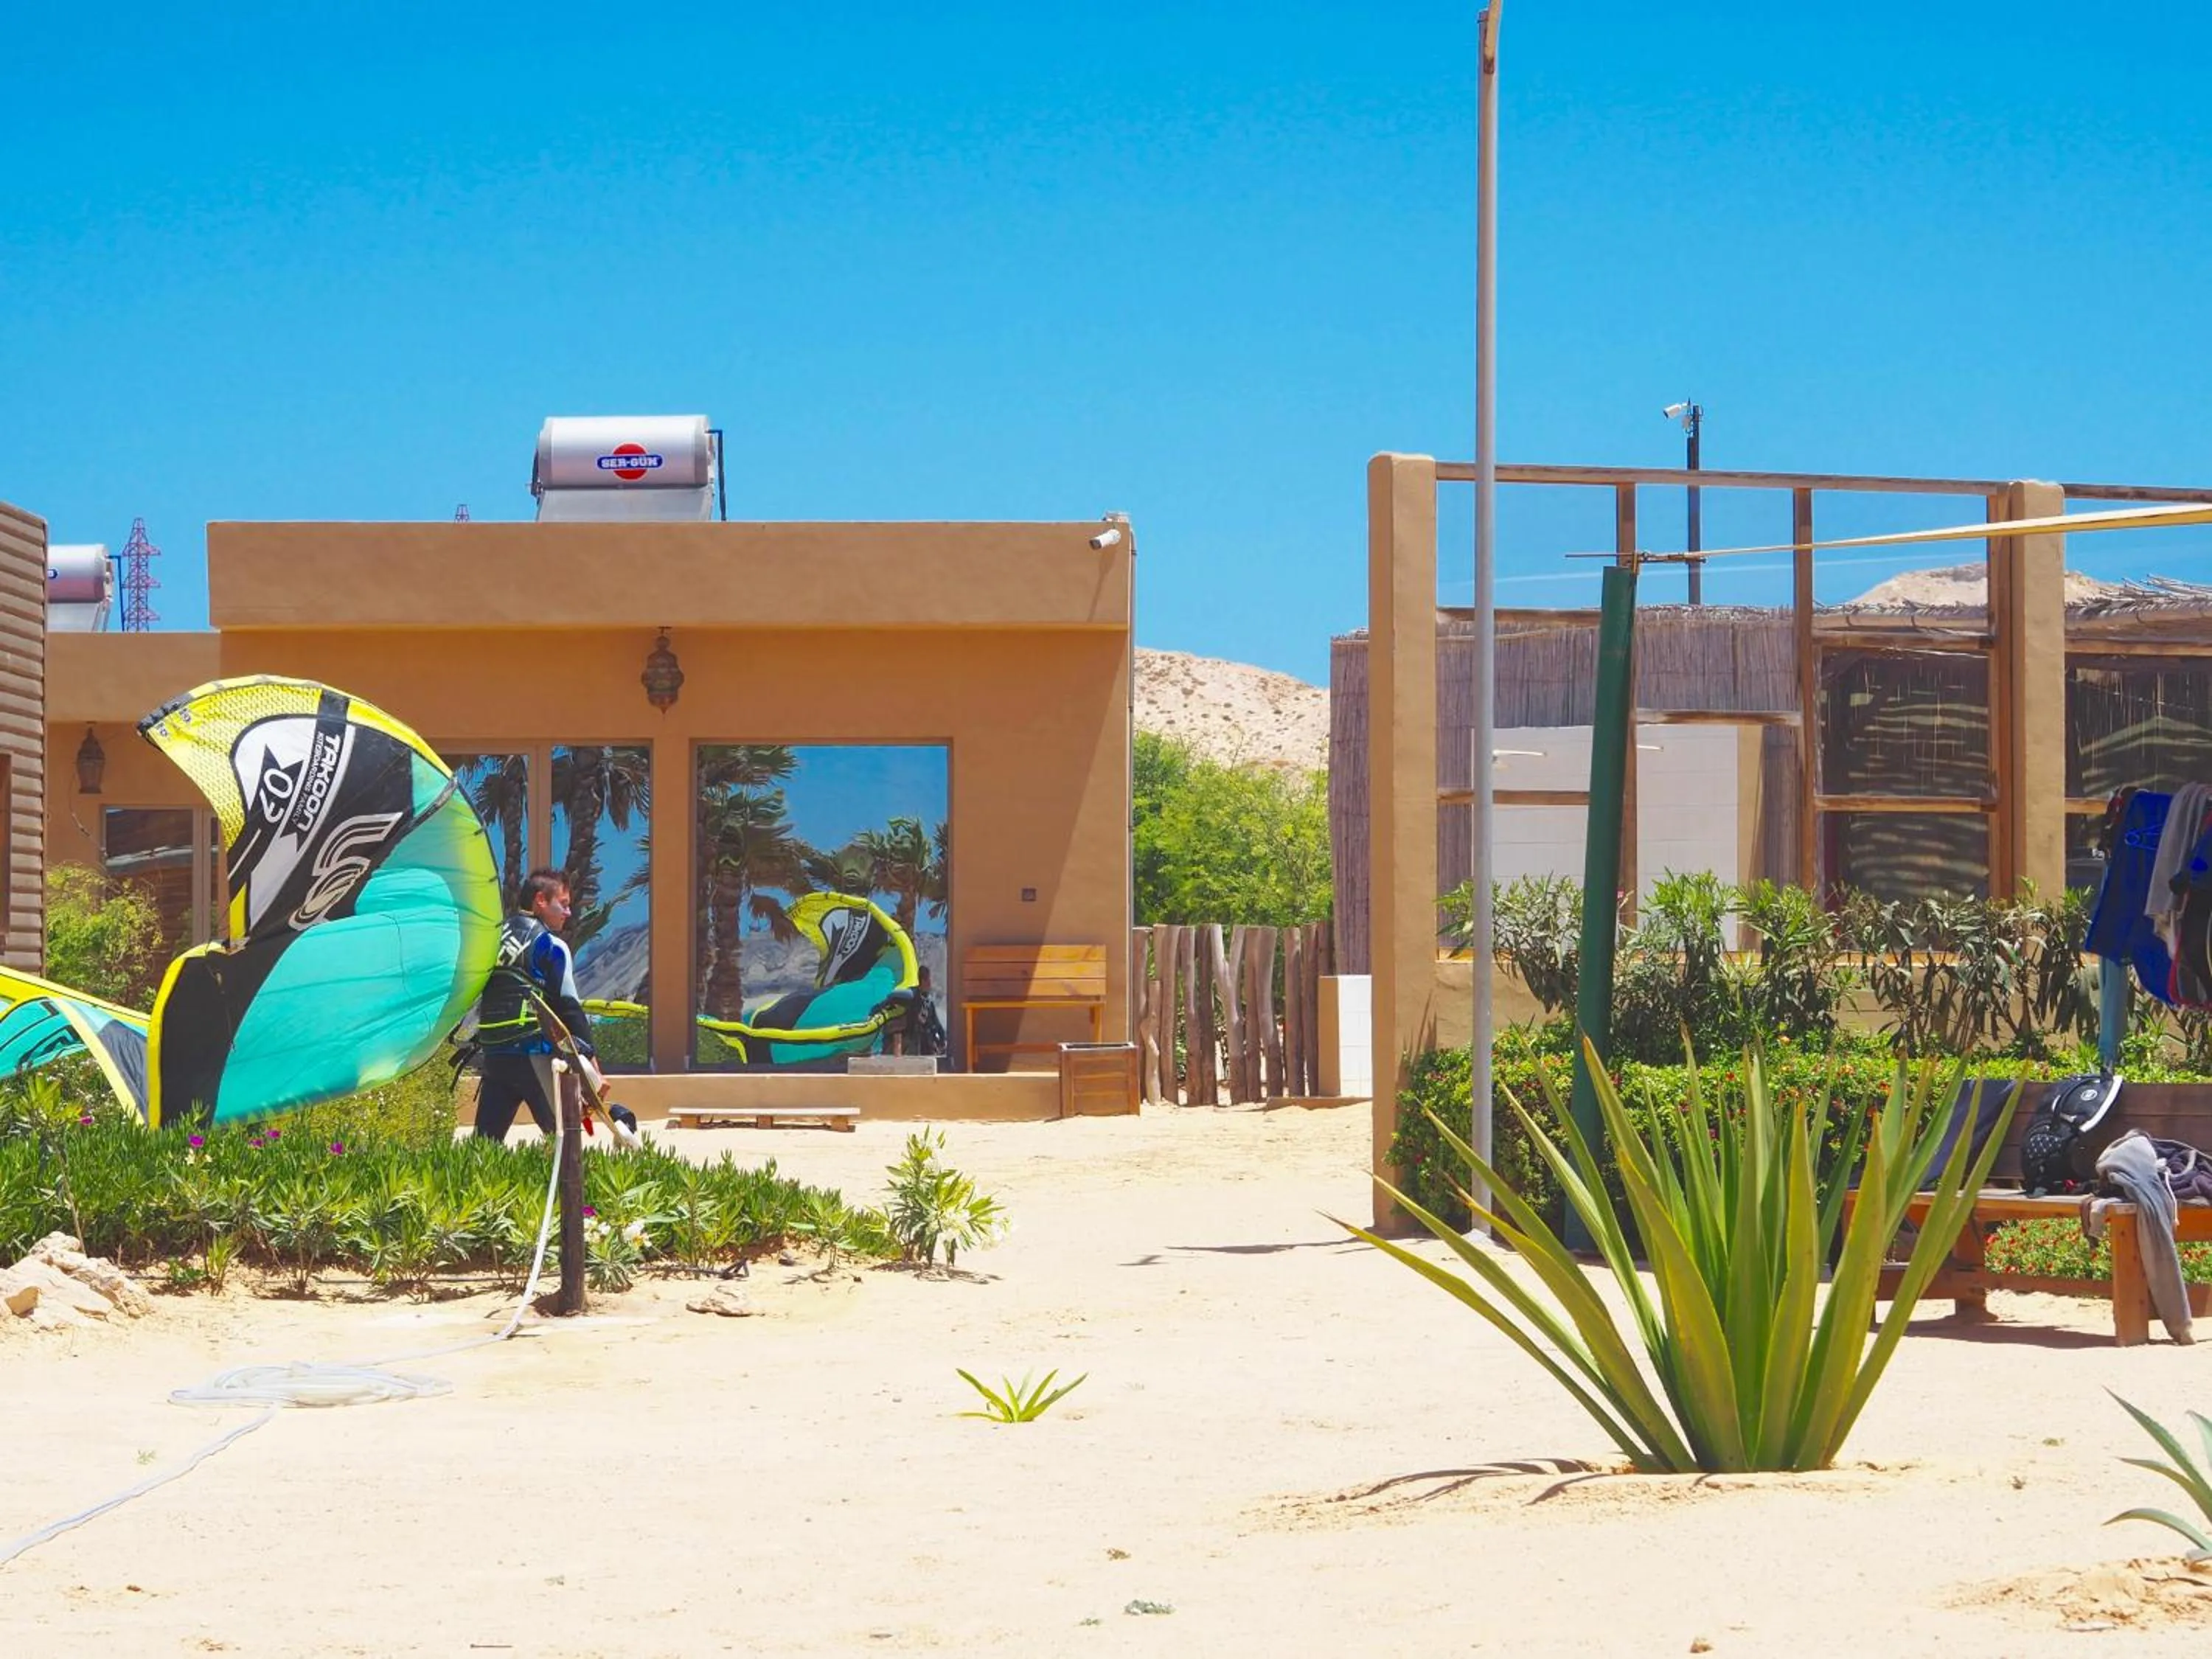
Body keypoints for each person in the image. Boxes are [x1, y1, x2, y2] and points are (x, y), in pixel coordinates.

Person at [472, 868, 598, 1142]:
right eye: (563, 904)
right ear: (541, 900)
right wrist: (593, 1067)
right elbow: (569, 1007)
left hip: (494, 1055)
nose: (568, 913)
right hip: (534, 1055)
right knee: (564, 1141)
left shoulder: (493, 939)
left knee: (483, 1146)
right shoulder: (550, 944)